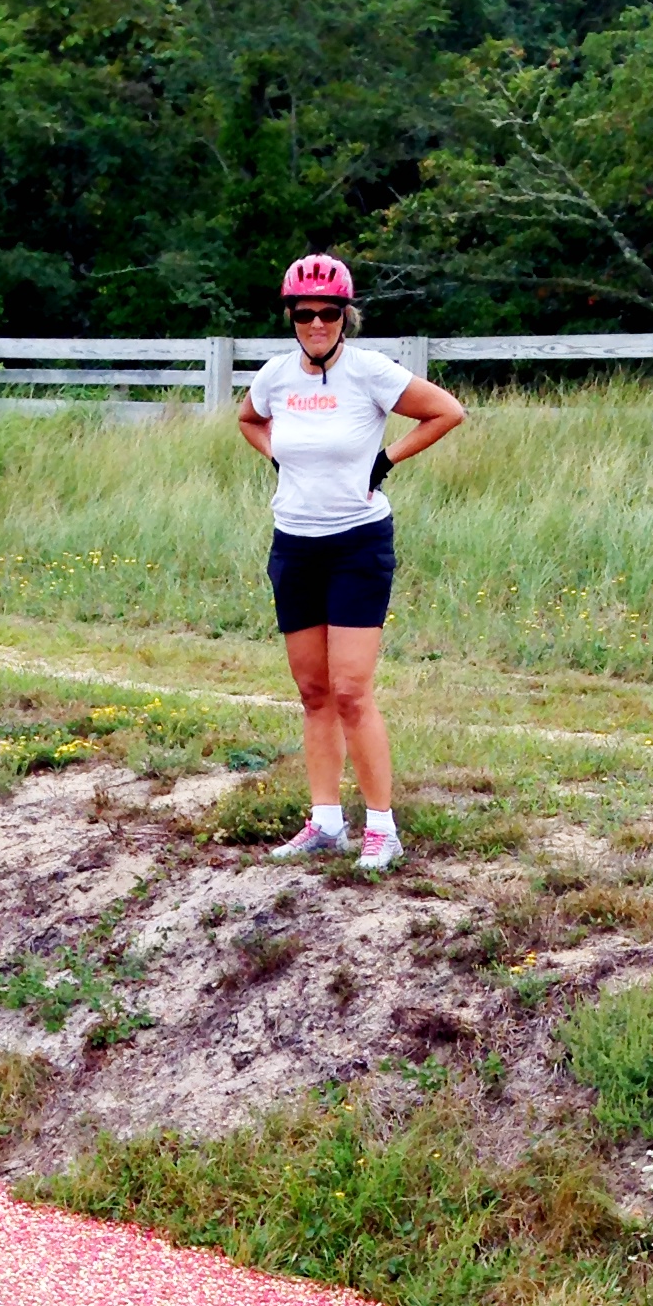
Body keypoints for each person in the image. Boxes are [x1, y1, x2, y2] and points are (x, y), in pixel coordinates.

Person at [238, 254, 465, 871]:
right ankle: (325, 823)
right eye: (304, 313)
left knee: (350, 691)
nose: (316, 323)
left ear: (346, 315)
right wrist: (276, 457)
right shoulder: (276, 375)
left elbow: (447, 411)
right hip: (294, 545)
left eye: (329, 312)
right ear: (290, 316)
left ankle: (381, 829)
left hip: (357, 545)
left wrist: (386, 460)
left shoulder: (370, 372)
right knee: (314, 692)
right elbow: (249, 419)